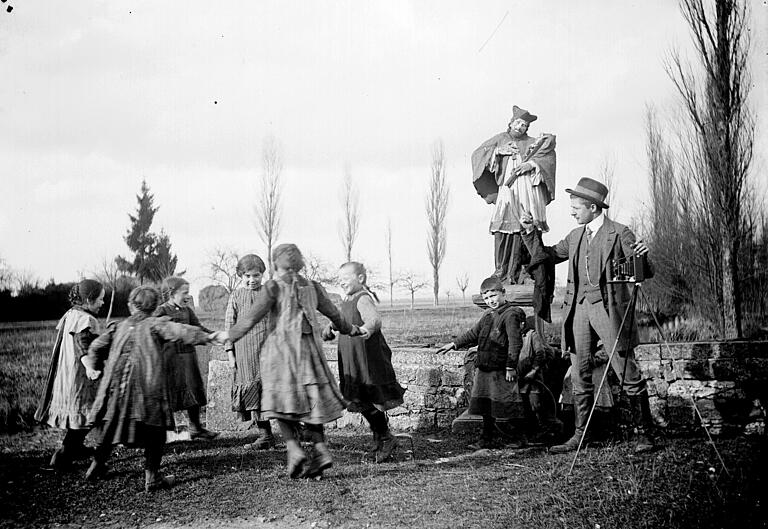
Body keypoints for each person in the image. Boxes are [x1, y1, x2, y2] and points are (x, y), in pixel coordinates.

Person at [519, 177, 655, 454]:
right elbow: (546, 256)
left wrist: (643, 257)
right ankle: (581, 436)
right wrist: (530, 232)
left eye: (576, 208)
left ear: (593, 208)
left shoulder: (619, 233)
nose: (572, 212)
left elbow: (644, 272)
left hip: (609, 312)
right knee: (580, 375)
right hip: (577, 311)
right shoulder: (575, 236)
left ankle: (644, 435)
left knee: (625, 369)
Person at [219, 244, 363, 479]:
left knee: (278, 400)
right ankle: (320, 449)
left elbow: (250, 318)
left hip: (282, 352)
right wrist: (352, 329)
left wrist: (228, 336)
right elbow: (335, 315)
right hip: (309, 351)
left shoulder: (273, 287)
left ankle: (294, 450)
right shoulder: (313, 286)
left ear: (276, 264)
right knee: (311, 401)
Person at [82, 286, 217, 492]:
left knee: (109, 428)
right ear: (154, 308)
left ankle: (96, 466)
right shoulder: (156, 325)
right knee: (155, 433)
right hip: (148, 388)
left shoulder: (118, 327)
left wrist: (96, 366)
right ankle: (152, 478)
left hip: (118, 388)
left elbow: (96, 347)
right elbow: (183, 331)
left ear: (130, 305)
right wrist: (210, 337)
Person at [323, 262, 405, 463]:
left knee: (367, 398)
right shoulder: (348, 299)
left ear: (360, 279)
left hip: (366, 359)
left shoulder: (363, 298)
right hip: (352, 357)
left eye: (346, 279)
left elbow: (375, 320)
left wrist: (365, 329)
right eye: (339, 280)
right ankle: (380, 437)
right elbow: (342, 319)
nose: (342, 283)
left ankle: (386, 438)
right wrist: (330, 327)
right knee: (359, 398)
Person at [436, 277, 526, 449]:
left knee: (509, 403)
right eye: (486, 298)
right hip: (485, 367)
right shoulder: (487, 315)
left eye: (493, 295)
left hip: (502, 370)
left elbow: (515, 343)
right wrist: (454, 344)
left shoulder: (511, 314)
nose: (491, 300)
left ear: (503, 293)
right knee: (486, 405)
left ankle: (519, 437)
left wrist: (511, 366)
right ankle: (486, 439)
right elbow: (473, 334)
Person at [471, 105, 556, 285]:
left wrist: (532, 165)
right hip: (507, 191)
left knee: (526, 227)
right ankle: (501, 270)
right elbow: (478, 155)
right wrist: (497, 152)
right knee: (502, 228)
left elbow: (548, 154)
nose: (520, 127)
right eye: (518, 123)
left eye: (524, 125)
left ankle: (523, 270)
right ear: (510, 123)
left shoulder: (533, 142)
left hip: (527, 192)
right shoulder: (500, 139)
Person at [35, 279, 105, 470]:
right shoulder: (85, 320)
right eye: (100, 299)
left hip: (68, 374)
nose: (102, 303)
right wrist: (91, 368)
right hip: (81, 377)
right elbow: (82, 346)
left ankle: (77, 449)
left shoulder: (72, 314)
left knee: (82, 417)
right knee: (90, 415)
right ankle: (63, 457)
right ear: (89, 300)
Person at [154, 277, 218, 440]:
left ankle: (196, 427)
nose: (188, 296)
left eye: (188, 293)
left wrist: (213, 336)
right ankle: (168, 431)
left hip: (188, 358)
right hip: (170, 360)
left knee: (193, 390)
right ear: (171, 294)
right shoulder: (161, 311)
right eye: (184, 293)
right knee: (170, 394)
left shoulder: (187, 310)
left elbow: (198, 328)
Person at [224, 254, 275, 449]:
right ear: (240, 276)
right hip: (244, 353)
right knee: (253, 395)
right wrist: (230, 353)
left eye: (256, 275)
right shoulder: (236, 296)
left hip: (266, 351)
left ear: (262, 275)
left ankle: (294, 433)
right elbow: (229, 325)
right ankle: (265, 435)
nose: (252, 280)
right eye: (247, 276)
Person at [518, 315, 562, 443]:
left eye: (518, 324)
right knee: (523, 406)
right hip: (519, 379)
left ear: (522, 324)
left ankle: (550, 431)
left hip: (533, 378)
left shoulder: (531, 335)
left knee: (536, 405)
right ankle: (528, 434)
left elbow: (540, 354)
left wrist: (534, 371)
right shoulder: (511, 338)